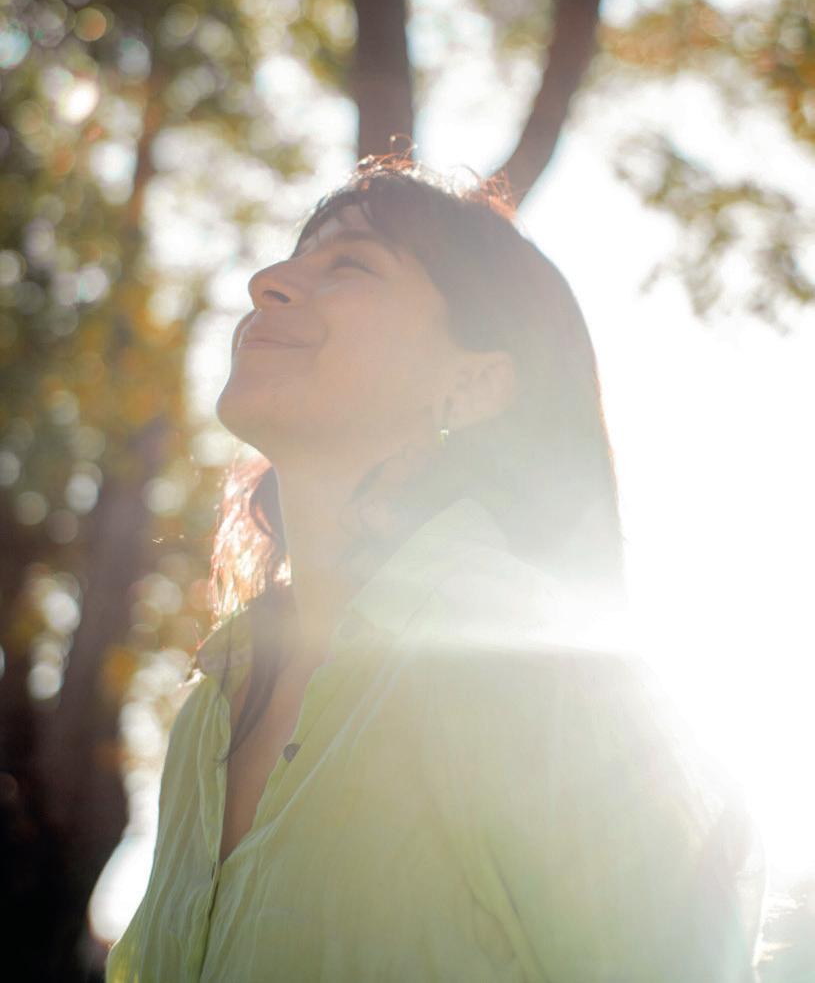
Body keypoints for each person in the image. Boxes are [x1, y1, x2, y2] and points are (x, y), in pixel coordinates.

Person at [105, 156, 766, 982]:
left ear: (475, 383)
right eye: (293, 258)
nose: (265, 282)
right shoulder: (212, 706)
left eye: (350, 265)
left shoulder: (544, 678)